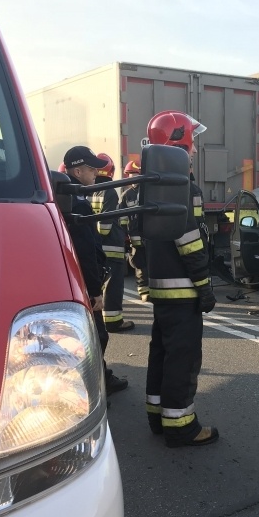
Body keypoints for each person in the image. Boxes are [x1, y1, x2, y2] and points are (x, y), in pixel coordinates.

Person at [144, 110, 219, 447]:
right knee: (183, 358)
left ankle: (158, 416)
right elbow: (191, 242)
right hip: (183, 290)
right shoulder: (184, 187)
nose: (196, 149)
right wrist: (204, 287)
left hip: (162, 288)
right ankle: (181, 426)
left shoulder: (152, 184)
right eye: (194, 141)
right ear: (181, 141)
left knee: (161, 352)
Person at [62, 146, 129, 395]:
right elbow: (86, 249)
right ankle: (93, 388)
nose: (95, 173)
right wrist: (94, 289)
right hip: (83, 280)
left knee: (94, 334)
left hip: (75, 277)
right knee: (95, 336)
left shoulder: (72, 194)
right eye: (91, 169)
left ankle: (100, 376)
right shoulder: (77, 200)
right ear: (77, 170)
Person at [91, 152, 135, 333]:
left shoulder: (91, 190)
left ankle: (102, 320)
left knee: (101, 286)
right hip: (111, 249)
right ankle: (114, 322)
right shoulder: (109, 191)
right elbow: (105, 226)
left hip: (99, 248)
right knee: (113, 286)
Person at [119, 159, 150, 301]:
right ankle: (144, 291)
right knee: (140, 264)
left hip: (151, 235)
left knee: (154, 262)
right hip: (136, 237)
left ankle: (154, 290)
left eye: (134, 174)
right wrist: (125, 232)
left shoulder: (150, 191)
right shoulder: (126, 195)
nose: (131, 178)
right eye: (130, 174)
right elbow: (122, 217)